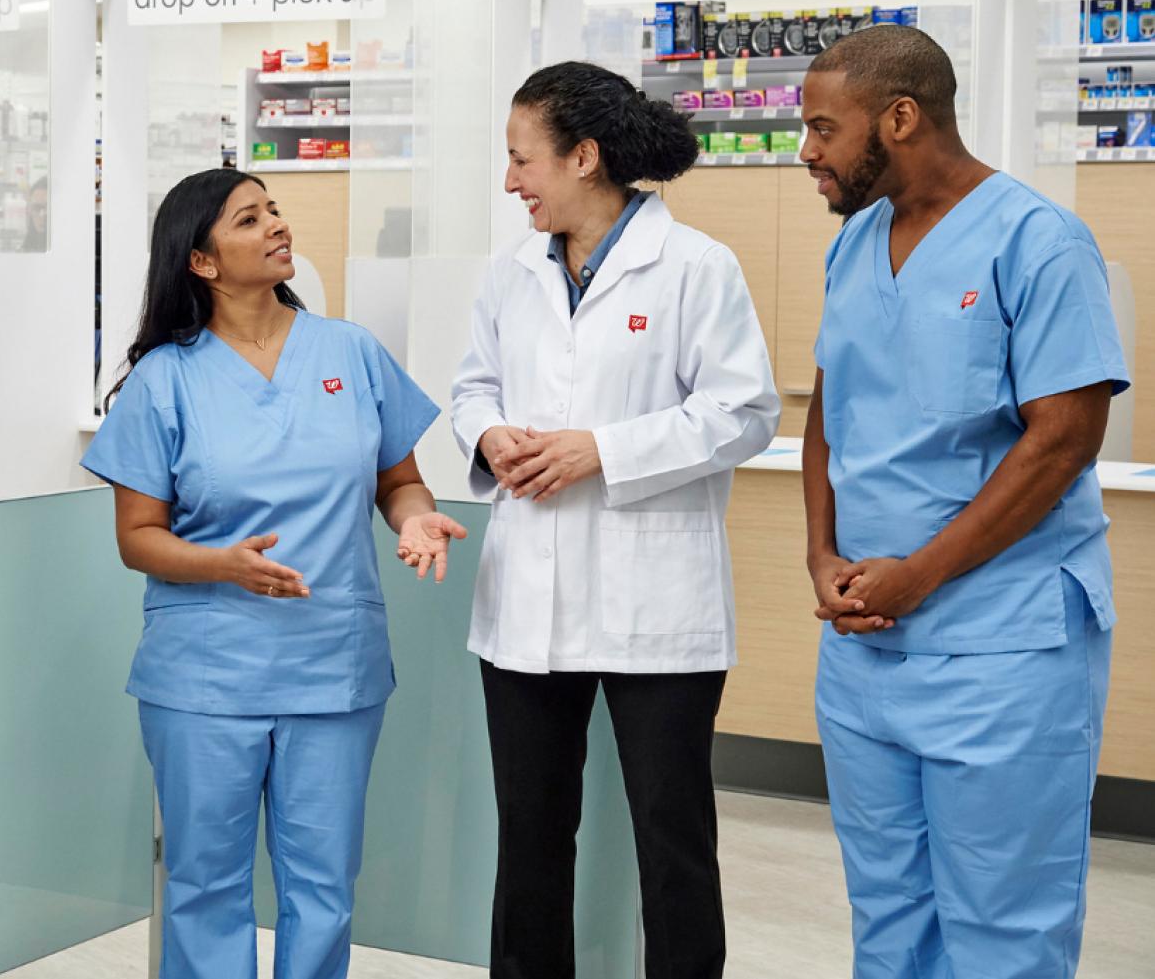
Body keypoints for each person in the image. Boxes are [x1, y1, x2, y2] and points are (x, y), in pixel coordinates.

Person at [799, 24, 1127, 978]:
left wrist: (920, 576)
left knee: (1000, 925)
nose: (807, 152)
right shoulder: (858, 242)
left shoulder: (1038, 240)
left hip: (1002, 646)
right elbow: (831, 410)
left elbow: (1064, 437)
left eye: (823, 128)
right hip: (866, 650)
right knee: (891, 916)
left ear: (899, 118)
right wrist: (823, 554)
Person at [81, 167, 465, 979]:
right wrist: (222, 564)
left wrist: (416, 518)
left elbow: (398, 480)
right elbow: (138, 537)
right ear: (203, 262)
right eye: (249, 219)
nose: (277, 226)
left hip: (333, 667)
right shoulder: (165, 380)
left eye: (275, 211)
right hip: (206, 675)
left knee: (323, 886)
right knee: (206, 886)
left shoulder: (351, 351)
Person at [450, 60, 780, 979]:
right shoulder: (511, 272)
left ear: (584, 156)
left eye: (523, 160)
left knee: (671, 842)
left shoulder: (694, 267)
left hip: (656, 603)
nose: (511, 180)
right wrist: (493, 435)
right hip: (527, 601)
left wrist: (606, 449)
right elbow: (471, 385)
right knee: (530, 838)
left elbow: (746, 411)